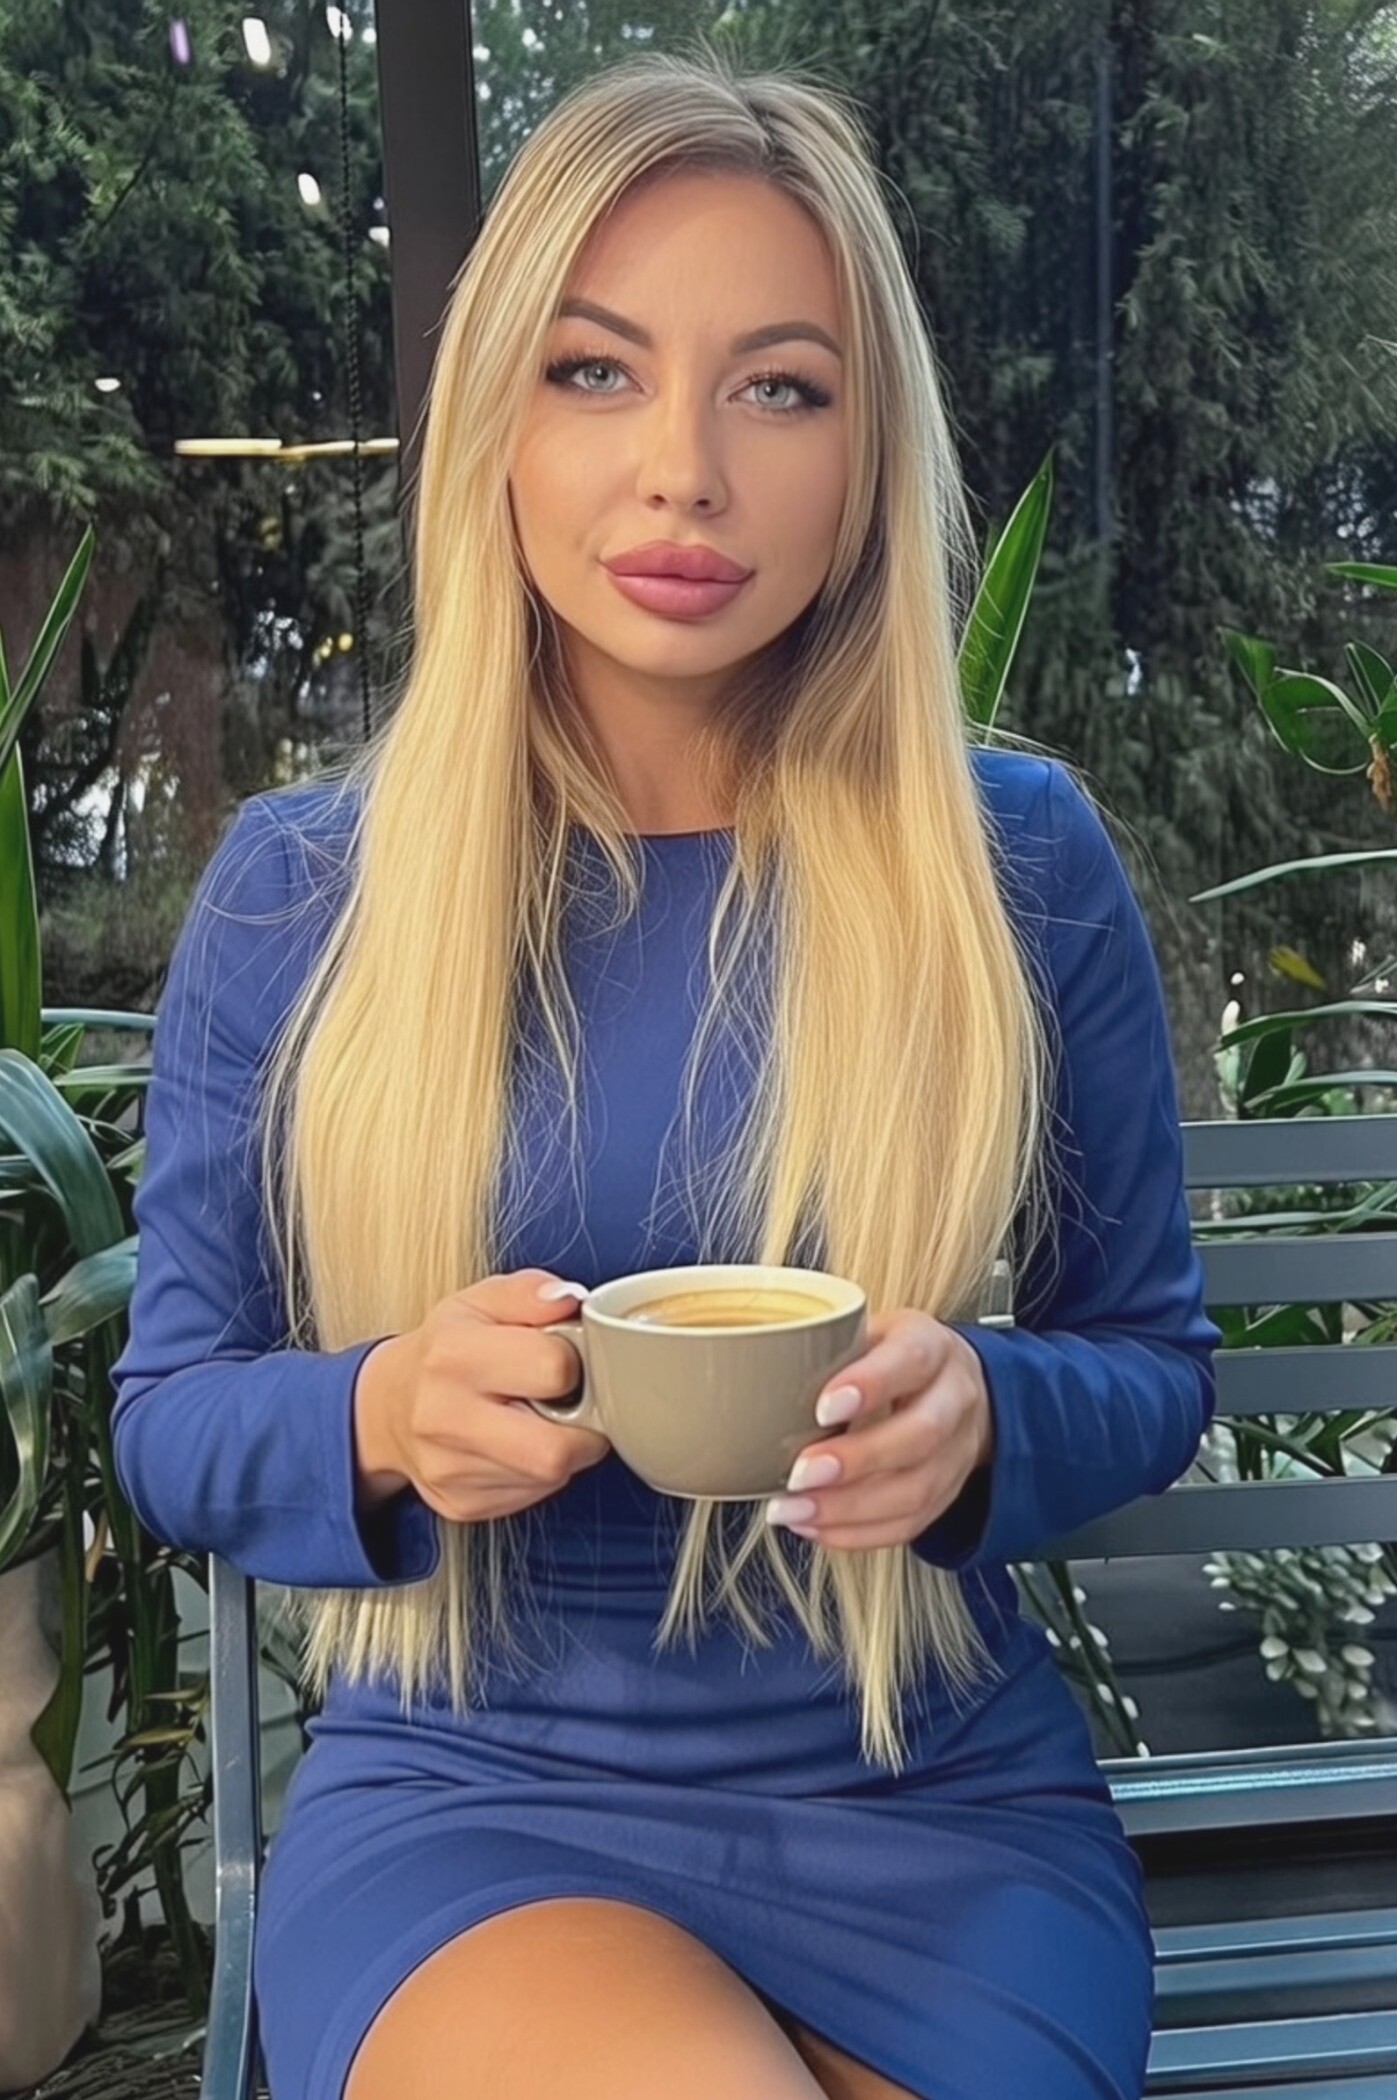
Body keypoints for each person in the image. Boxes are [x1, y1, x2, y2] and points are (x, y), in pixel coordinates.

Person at [109, 40, 1220, 2100]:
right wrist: (379, 1413)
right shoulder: (305, 894)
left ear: (868, 450)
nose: (684, 471)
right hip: (475, 1809)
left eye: (779, 387)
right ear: (495, 421)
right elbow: (169, 1421)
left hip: (938, 1809)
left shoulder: (1015, 864)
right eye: (595, 370)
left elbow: (1150, 1362)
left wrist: (985, 1414)